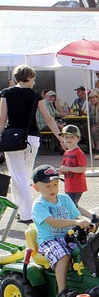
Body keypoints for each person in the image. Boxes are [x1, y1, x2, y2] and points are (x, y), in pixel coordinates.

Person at [0, 64, 64, 224]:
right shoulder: (35, 95)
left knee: (18, 176)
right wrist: (60, 138)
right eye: (34, 79)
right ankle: (21, 210)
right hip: (32, 139)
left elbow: (2, 119)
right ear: (28, 78)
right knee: (22, 176)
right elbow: (49, 119)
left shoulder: (6, 93)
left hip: (13, 138)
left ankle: (27, 213)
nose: (34, 82)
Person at [31, 164, 92, 297]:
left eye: (55, 184)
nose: (53, 189)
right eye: (48, 186)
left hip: (68, 236)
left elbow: (77, 216)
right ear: (36, 188)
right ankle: (62, 292)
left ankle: (84, 283)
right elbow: (54, 222)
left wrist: (87, 223)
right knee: (63, 256)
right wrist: (76, 222)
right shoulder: (39, 205)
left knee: (88, 249)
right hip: (49, 241)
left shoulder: (64, 199)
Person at [58, 125, 99, 224]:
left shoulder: (78, 153)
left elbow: (82, 169)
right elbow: (63, 169)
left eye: (71, 137)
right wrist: (56, 172)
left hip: (76, 186)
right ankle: (93, 217)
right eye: (66, 137)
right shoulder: (66, 153)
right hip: (69, 185)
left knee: (70, 207)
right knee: (72, 206)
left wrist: (68, 169)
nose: (68, 139)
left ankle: (82, 224)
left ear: (78, 138)